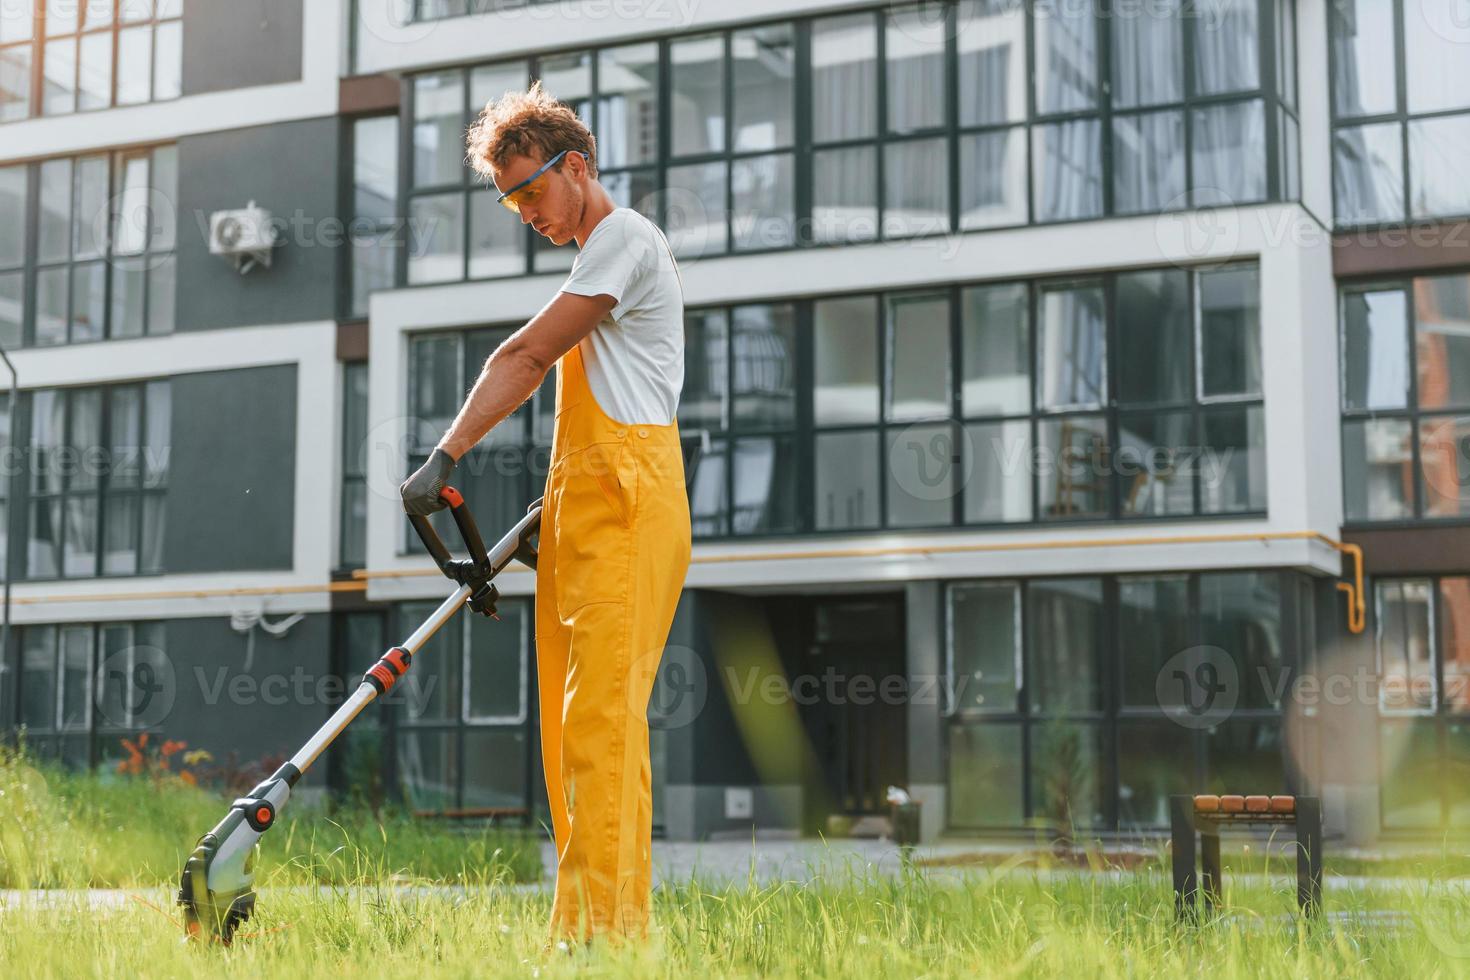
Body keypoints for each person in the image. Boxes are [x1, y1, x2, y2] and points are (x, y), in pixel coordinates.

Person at [398, 81, 690, 942]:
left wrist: (443, 458)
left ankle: (602, 939)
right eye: (509, 198)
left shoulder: (624, 238)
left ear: (580, 165)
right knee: (573, 734)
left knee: (601, 724)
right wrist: (539, 527)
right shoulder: (594, 260)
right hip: (589, 503)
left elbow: (526, 355)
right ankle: (590, 927)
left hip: (633, 501)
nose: (523, 210)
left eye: (530, 189)